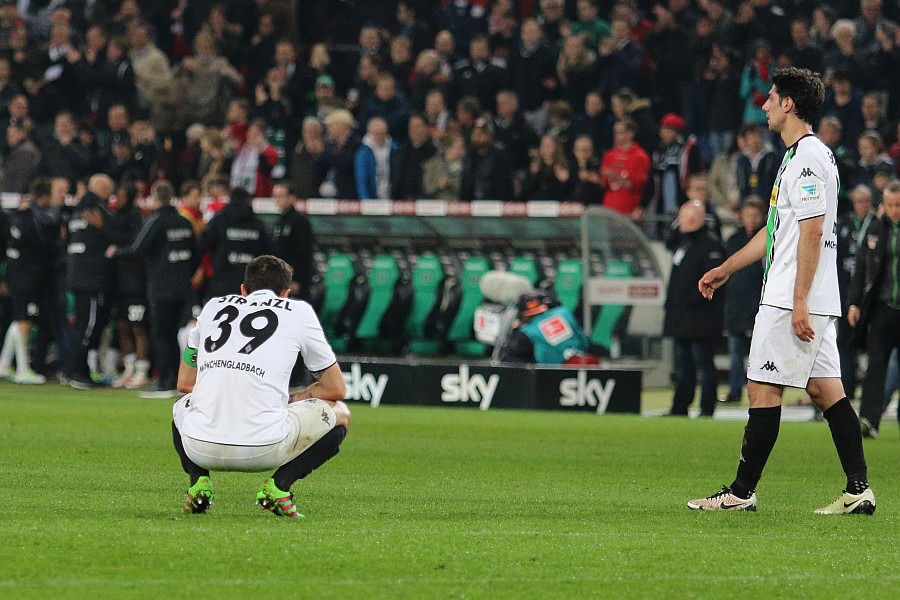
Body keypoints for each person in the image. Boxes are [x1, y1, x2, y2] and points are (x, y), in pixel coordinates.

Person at [691, 67, 874, 515]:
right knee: (827, 391)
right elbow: (777, 232)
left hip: (793, 295)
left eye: (771, 98)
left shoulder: (808, 157)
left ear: (789, 104)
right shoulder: (802, 157)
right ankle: (859, 490)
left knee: (761, 388)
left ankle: (740, 492)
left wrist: (797, 301)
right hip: (810, 295)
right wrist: (727, 269)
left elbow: (811, 233)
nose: (765, 105)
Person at [172, 255, 351, 517]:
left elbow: (185, 383)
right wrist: (295, 398)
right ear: (285, 293)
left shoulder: (212, 307)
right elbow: (336, 389)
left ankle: (199, 483)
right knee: (341, 413)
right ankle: (279, 487)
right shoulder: (299, 312)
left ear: (244, 290)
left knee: (181, 405)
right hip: (263, 449)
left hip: (200, 449)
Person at [107, 181, 197, 398]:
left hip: (162, 288)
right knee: (177, 334)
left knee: (162, 335)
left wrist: (116, 252)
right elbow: (195, 252)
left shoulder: (156, 221)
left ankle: (165, 382)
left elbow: (138, 249)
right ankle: (176, 380)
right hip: (183, 287)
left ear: (155, 199)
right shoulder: (184, 222)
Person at [848, 180, 900, 440]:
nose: (894, 210)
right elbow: (861, 269)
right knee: (875, 365)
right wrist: (854, 303)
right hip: (881, 308)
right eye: (890, 205)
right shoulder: (876, 230)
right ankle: (869, 419)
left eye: (898, 205)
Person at [664, 200, 725, 417]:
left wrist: (690, 302)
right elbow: (667, 242)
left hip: (700, 318)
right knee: (683, 367)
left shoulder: (710, 245)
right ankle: (680, 406)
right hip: (681, 317)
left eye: (686, 218)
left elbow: (713, 283)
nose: (681, 223)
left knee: (704, 365)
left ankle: (707, 408)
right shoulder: (683, 243)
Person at [0, 179, 57, 384]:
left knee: (18, 318)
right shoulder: (34, 220)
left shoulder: (14, 217)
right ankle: (23, 369)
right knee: (24, 320)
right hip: (28, 276)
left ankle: (4, 363)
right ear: (45, 196)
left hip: (15, 273)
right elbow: (45, 245)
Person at [721, 198, 766, 404]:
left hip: (759, 305)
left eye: (755, 216)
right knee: (736, 352)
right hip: (736, 305)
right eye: (747, 215)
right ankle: (734, 390)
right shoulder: (733, 240)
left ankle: (760, 392)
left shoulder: (768, 238)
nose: (751, 219)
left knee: (760, 354)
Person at [836, 185, 875, 402]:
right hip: (846, 294)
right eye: (859, 201)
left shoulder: (878, 225)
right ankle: (847, 391)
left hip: (872, 295)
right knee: (844, 343)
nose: (862, 205)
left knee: (874, 346)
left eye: (866, 201)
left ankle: (871, 394)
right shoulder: (844, 225)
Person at [497, 289, 591, 364]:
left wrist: (514, 331)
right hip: (581, 359)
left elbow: (506, 360)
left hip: (548, 376)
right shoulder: (564, 313)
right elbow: (584, 340)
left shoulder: (525, 332)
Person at [270, 182, 315, 301]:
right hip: (280, 281)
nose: (277, 200)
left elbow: (304, 253)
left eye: (281, 196)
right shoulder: (278, 223)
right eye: (275, 197)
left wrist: (297, 280)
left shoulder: (300, 222)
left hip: (295, 282)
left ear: (291, 198)